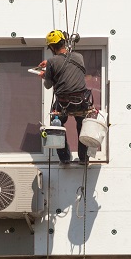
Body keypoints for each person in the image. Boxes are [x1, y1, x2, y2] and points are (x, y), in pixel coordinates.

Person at [38, 30, 92, 165]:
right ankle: (84, 158)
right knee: (82, 125)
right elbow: (70, 71)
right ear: (64, 42)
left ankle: (64, 158)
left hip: (63, 103)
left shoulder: (52, 62)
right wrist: (52, 65)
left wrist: (45, 75)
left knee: (57, 124)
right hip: (82, 101)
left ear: (51, 47)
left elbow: (48, 85)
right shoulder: (79, 57)